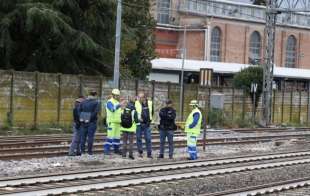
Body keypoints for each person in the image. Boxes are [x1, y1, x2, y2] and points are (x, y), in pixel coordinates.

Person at [79, 90, 100, 155]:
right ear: (95, 95)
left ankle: (82, 151)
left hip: (83, 121)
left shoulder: (83, 102)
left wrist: (83, 118)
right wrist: (88, 118)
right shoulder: (96, 102)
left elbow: (79, 111)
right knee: (90, 137)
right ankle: (89, 152)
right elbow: (95, 112)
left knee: (83, 137)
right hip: (92, 122)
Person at [135, 92, 154, 158]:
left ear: (144, 98)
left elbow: (152, 112)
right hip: (139, 123)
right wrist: (138, 119)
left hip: (147, 124)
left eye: (141, 97)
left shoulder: (150, 103)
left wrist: (149, 120)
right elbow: (134, 113)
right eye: (139, 97)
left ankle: (149, 153)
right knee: (138, 138)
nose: (139, 99)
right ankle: (140, 152)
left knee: (148, 139)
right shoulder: (136, 103)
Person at [104, 89, 122, 155]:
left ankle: (116, 150)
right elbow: (112, 109)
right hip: (111, 122)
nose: (117, 96)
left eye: (118, 95)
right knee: (110, 137)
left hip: (117, 122)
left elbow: (119, 112)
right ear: (112, 95)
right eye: (116, 95)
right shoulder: (109, 102)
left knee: (117, 137)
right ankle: (107, 150)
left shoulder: (117, 102)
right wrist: (119, 105)